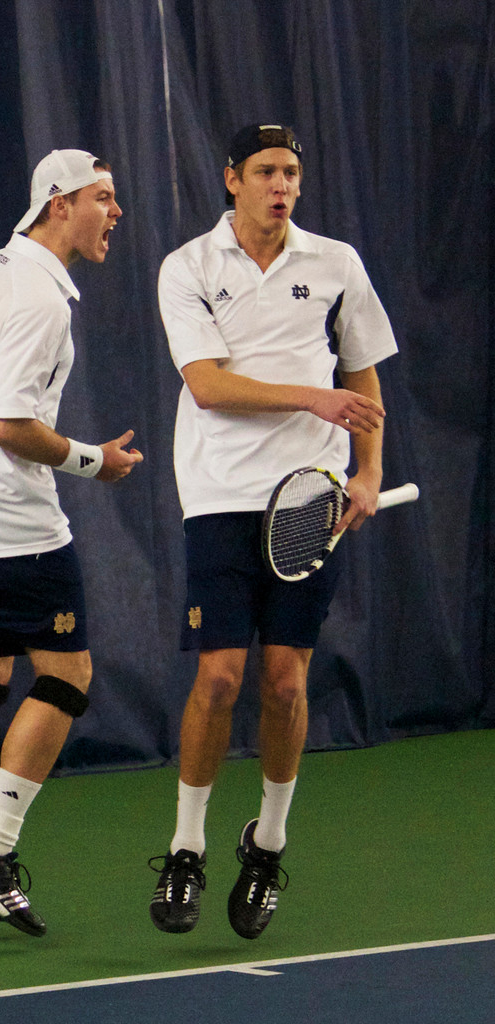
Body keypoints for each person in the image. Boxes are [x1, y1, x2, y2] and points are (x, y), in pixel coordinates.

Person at [149, 124, 397, 939]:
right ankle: (187, 848)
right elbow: (209, 386)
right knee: (219, 678)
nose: (281, 184)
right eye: (265, 171)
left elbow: (361, 378)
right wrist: (309, 397)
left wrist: (364, 473)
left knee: (286, 683)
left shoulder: (337, 263)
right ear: (232, 180)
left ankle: (269, 842)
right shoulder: (187, 267)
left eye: (292, 171)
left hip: (308, 502)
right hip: (219, 493)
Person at [0, 148, 142, 937]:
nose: (115, 213)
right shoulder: (41, 299)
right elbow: (8, 426)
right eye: (102, 198)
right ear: (57, 203)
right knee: (68, 675)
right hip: (11, 518)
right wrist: (94, 460)